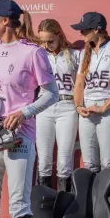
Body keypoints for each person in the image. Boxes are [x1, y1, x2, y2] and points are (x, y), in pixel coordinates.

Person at [0, 0, 59, 218]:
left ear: (4, 21)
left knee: (19, 205)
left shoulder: (33, 53)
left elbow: (52, 93)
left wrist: (23, 113)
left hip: (20, 135)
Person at [72, 12, 110, 191]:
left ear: (98, 29)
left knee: (108, 163)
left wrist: (104, 107)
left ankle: (108, 213)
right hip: (87, 110)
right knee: (89, 164)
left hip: (109, 110)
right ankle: (90, 210)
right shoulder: (84, 53)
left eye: (85, 30)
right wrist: (78, 106)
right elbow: (79, 83)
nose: (81, 34)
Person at [36, 19, 80, 191]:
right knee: (44, 160)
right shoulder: (39, 55)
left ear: (59, 36)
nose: (47, 45)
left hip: (67, 107)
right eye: (43, 41)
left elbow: (80, 84)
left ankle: (65, 206)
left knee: (64, 161)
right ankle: (44, 207)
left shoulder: (75, 55)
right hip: (44, 107)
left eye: (50, 41)